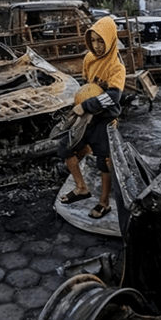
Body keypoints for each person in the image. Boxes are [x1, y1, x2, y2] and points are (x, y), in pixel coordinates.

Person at [56, 16, 126, 219]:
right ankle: (81, 188)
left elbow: (114, 97)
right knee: (65, 147)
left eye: (100, 41)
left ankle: (104, 203)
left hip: (105, 118)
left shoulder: (116, 67)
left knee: (104, 160)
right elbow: (87, 84)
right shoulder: (88, 59)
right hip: (87, 117)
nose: (96, 46)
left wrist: (86, 105)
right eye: (93, 40)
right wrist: (79, 102)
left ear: (110, 39)